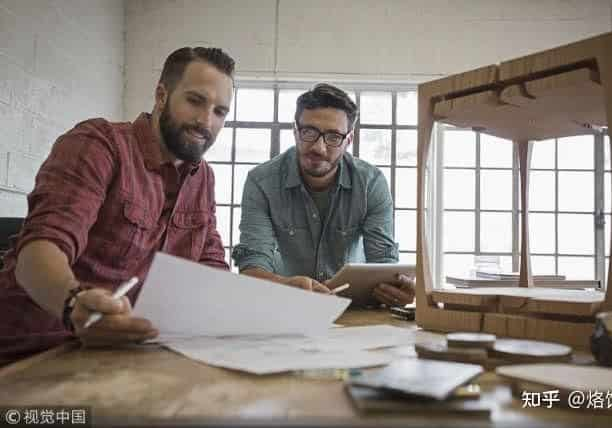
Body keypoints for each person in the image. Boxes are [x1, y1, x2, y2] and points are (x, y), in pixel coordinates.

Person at [0, 46, 235, 364]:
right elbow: (39, 250)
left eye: (220, 111)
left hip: (124, 354)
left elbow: (212, 271)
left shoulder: (202, 177)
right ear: (162, 95)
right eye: (195, 101)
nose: (206, 122)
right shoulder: (99, 144)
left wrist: (278, 297)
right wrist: (74, 305)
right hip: (35, 350)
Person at [232, 83, 415, 306]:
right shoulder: (261, 182)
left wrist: (397, 290)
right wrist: (286, 287)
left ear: (349, 140)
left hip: (354, 310)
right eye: (309, 132)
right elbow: (252, 267)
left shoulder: (371, 184)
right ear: (295, 131)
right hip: (285, 305)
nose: (319, 148)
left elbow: (384, 264)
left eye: (333, 137)